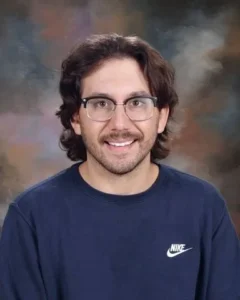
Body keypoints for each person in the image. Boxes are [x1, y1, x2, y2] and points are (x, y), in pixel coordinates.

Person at [0, 33, 239, 300]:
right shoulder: (31, 217)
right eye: (101, 104)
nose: (120, 125)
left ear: (161, 117)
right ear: (76, 119)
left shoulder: (203, 208)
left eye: (137, 103)